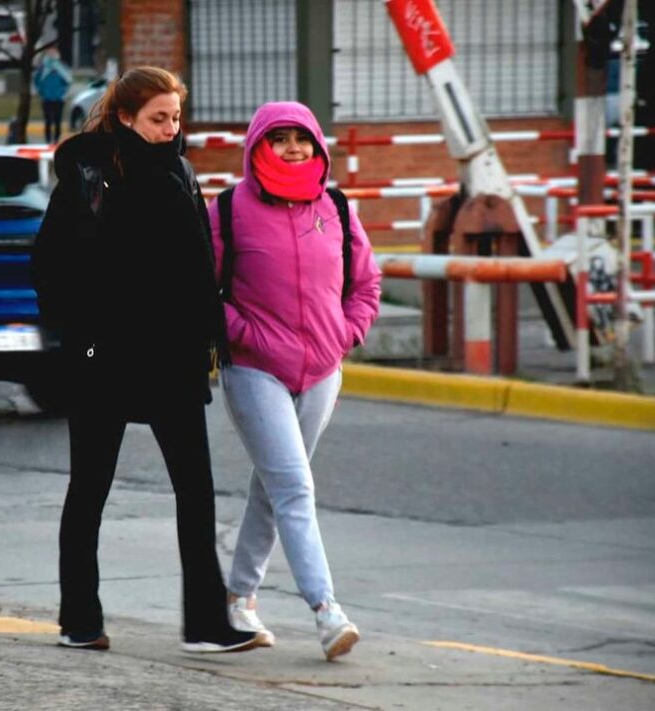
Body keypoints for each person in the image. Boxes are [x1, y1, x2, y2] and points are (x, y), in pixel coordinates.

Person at [31, 66, 258, 654]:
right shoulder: (91, 175)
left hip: (173, 362)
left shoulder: (180, 170)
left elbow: (196, 263)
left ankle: (204, 624)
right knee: (90, 489)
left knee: (197, 490)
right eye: (159, 118)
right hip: (102, 361)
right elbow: (50, 268)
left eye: (176, 117)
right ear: (126, 117)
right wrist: (83, 343)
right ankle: (78, 621)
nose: (170, 128)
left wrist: (206, 337)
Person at [208, 101, 381, 661]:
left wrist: (344, 336)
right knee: (294, 488)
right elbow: (199, 291)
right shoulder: (230, 209)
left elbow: (365, 284)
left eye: (301, 139)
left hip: (323, 371)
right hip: (255, 369)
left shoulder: (336, 207)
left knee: (276, 485)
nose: (292, 149)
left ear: (317, 146)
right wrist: (245, 334)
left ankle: (238, 597)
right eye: (279, 138)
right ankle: (327, 611)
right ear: (258, 145)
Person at [33, 47, 72, 143]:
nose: (52, 55)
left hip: (59, 99)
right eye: (50, 53)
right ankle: (48, 141)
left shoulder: (62, 67)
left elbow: (68, 81)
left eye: (53, 52)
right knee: (48, 121)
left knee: (58, 122)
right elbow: (37, 81)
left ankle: (56, 141)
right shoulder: (43, 68)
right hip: (46, 99)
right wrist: (41, 92)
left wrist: (63, 94)